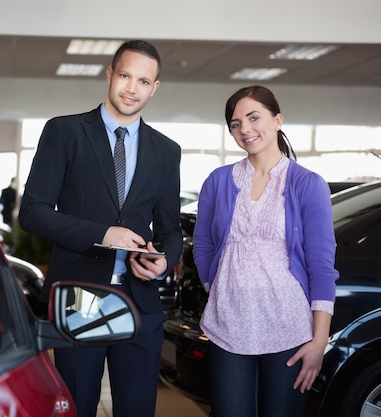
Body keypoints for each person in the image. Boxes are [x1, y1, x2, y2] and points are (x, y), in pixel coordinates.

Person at [18, 40, 182, 417]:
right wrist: (102, 235)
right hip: (80, 298)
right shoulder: (65, 132)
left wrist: (164, 260)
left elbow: (171, 230)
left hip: (141, 301)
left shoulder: (166, 151)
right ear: (110, 74)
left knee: (137, 409)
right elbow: (32, 212)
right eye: (125, 75)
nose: (131, 88)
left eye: (143, 81)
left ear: (154, 88)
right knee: (78, 406)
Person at [193, 85, 339, 417]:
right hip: (228, 324)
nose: (244, 129)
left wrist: (319, 341)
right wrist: (216, 288)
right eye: (235, 123)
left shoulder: (307, 183)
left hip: (289, 328)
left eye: (253, 117)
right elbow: (203, 245)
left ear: (277, 120)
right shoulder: (217, 181)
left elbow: (321, 266)